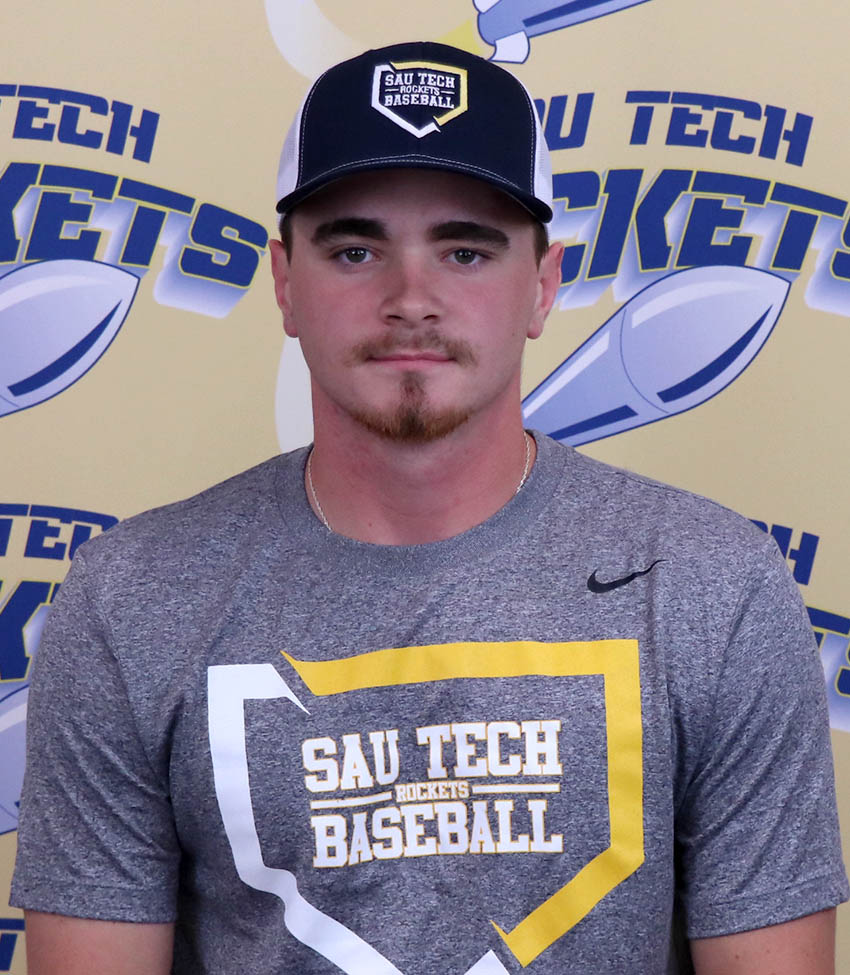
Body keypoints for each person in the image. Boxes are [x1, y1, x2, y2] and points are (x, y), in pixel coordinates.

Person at [11, 40, 848, 975]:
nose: (411, 299)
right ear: (286, 283)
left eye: (464, 249)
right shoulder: (132, 597)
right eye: (356, 248)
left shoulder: (713, 584)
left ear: (542, 283)